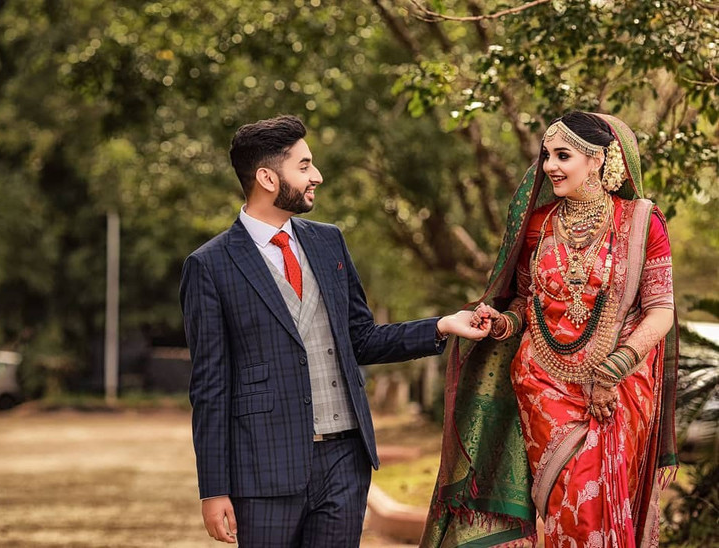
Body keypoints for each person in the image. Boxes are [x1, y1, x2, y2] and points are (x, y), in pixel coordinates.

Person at [180, 114, 490, 546]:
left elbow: (360, 338)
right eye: (304, 166)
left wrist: (441, 326)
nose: (317, 177)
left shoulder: (329, 243)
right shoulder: (209, 265)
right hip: (263, 469)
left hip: (344, 461)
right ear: (268, 177)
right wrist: (213, 489)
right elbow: (209, 386)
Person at [420, 112, 678, 548]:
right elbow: (525, 301)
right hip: (542, 385)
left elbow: (661, 311)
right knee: (566, 506)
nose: (549, 167)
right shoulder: (538, 224)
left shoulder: (641, 223)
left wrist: (614, 368)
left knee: (597, 503)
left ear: (598, 160)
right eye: (546, 157)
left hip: (618, 389)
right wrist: (503, 323)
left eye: (563, 156)